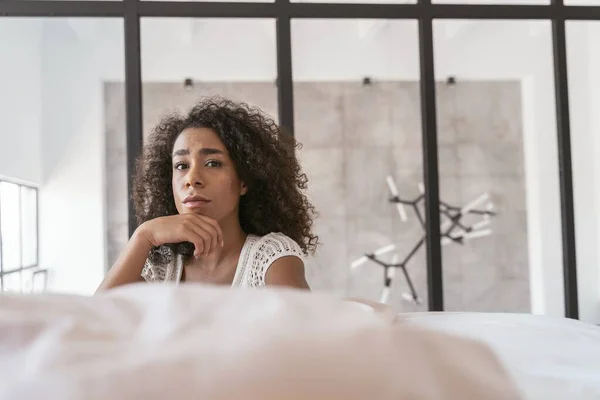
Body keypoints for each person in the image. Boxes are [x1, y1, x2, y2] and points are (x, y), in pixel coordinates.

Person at [97, 97, 318, 292]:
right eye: (181, 165)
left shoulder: (270, 257)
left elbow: (308, 336)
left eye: (213, 163)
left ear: (244, 182)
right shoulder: (160, 266)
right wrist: (143, 236)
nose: (192, 178)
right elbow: (93, 323)